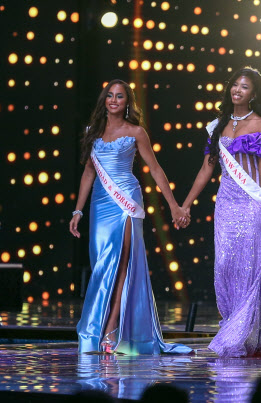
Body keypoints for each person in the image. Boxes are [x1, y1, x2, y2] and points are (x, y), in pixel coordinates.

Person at [70, 79, 191, 355]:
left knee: (121, 262)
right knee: (101, 264)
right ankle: (101, 325)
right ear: (104, 100)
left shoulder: (136, 132)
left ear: (127, 102)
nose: (114, 100)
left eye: (120, 96)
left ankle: (111, 327)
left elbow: (156, 170)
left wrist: (173, 205)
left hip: (126, 202)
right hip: (100, 205)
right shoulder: (92, 131)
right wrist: (78, 209)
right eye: (110, 96)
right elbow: (89, 172)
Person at [181, 67, 261, 357]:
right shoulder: (217, 126)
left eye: (245, 87)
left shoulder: (260, 124)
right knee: (224, 266)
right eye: (235, 85)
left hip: (253, 203)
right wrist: (186, 204)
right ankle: (232, 325)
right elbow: (206, 169)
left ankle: (243, 334)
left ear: (254, 93)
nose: (238, 90)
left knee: (249, 267)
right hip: (226, 202)